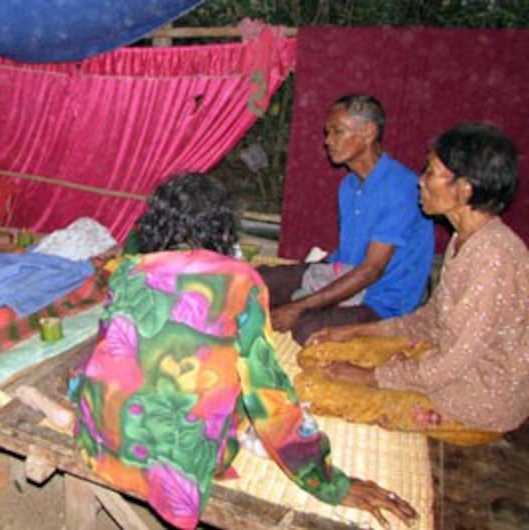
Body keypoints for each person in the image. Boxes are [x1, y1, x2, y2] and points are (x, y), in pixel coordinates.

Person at [68, 173, 416, 529]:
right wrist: (328, 482)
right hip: (175, 464)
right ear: (221, 228)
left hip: (103, 439)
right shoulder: (239, 281)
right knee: (230, 383)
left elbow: (115, 353)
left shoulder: (127, 271)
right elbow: (268, 395)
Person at [299, 123, 529, 445]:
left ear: (464, 190)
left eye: (431, 172)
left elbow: (452, 363)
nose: (420, 181)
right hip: (446, 364)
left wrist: (368, 377)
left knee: (309, 388)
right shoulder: (466, 239)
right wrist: (358, 330)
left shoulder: (494, 258)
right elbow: (433, 318)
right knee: (320, 352)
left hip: (475, 398)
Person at [259, 94, 435, 345]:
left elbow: (370, 271)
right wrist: (309, 271)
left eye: (337, 131)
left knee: (307, 329)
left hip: (381, 300)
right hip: (344, 277)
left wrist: (298, 306)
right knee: (258, 280)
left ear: (368, 132)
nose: (328, 141)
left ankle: (321, 313)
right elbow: (348, 257)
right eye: (328, 132)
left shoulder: (401, 188)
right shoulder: (349, 185)